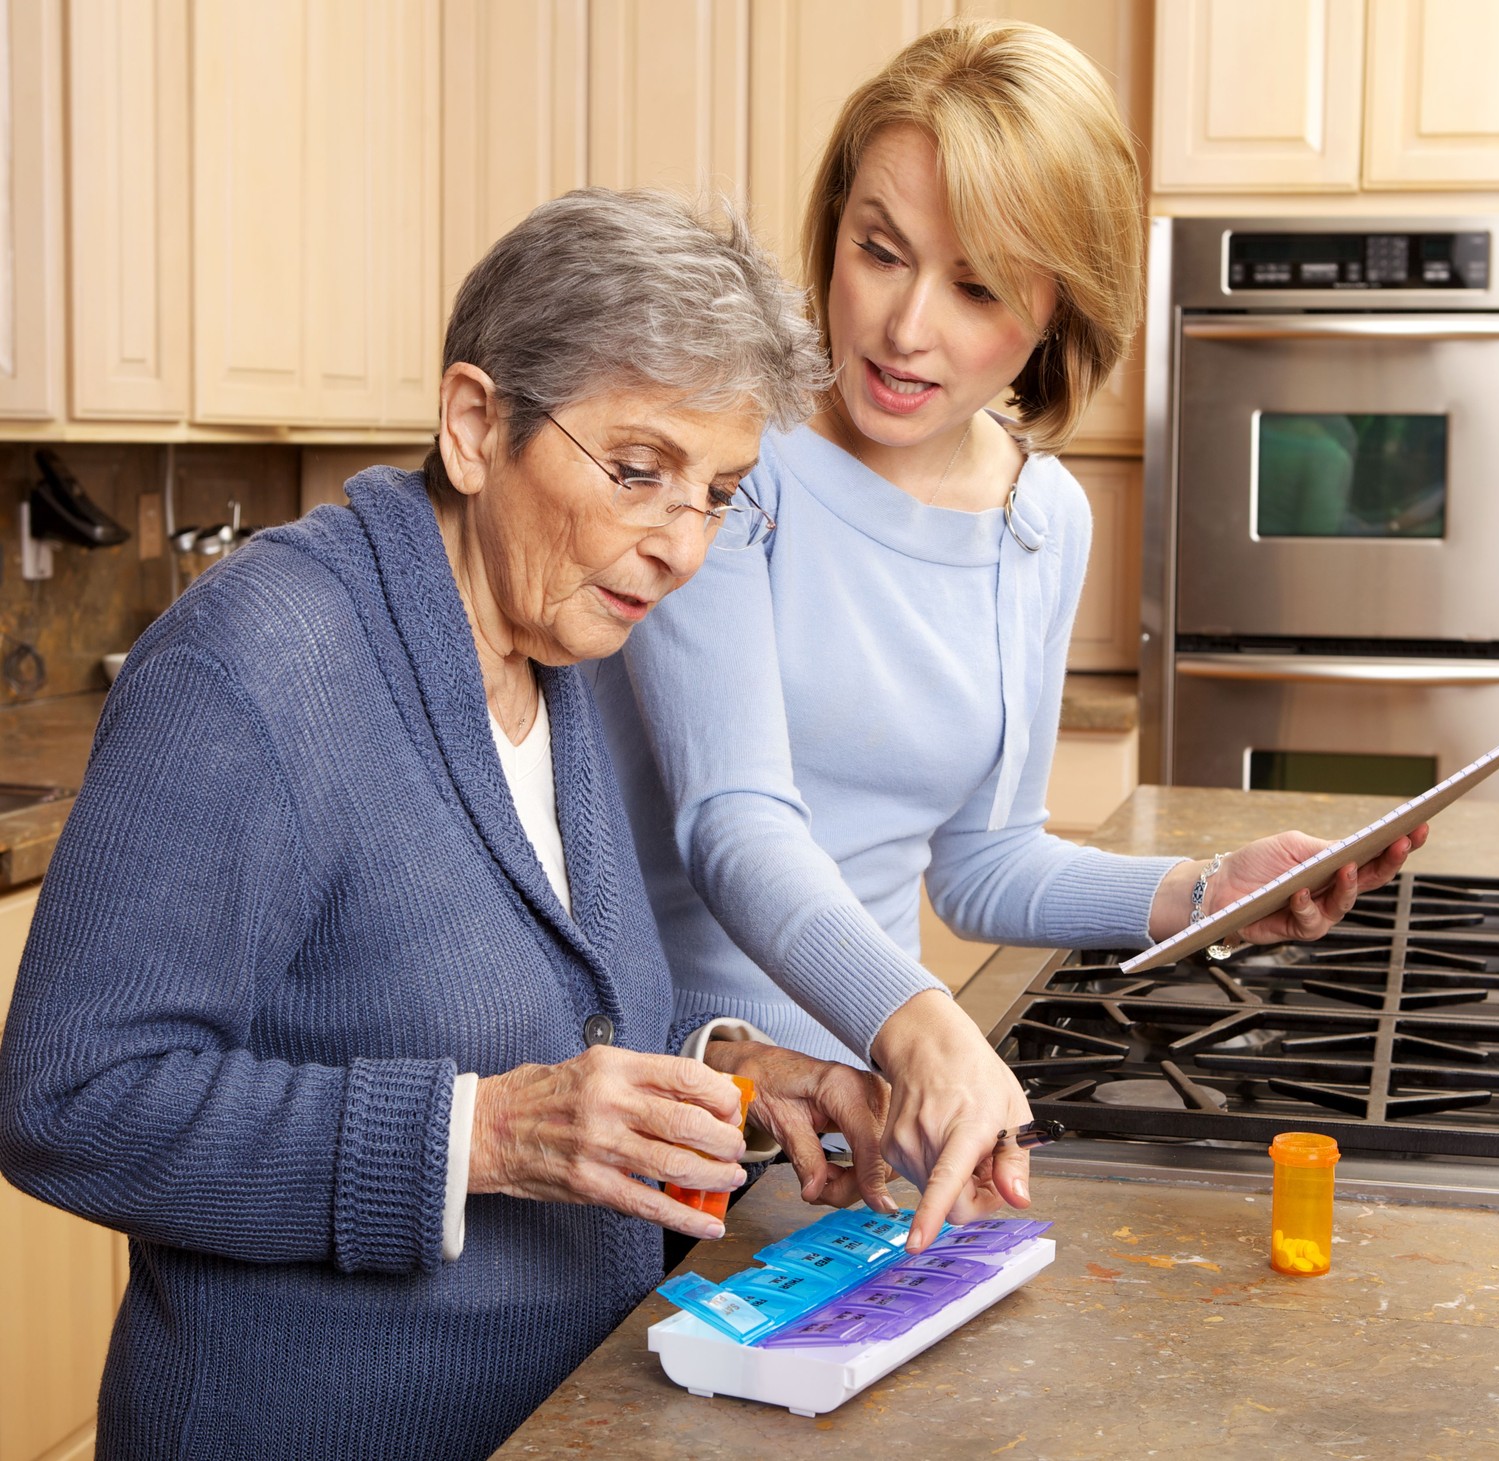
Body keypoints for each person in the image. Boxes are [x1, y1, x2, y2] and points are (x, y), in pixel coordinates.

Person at [0, 190, 878, 1461]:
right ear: (476, 425)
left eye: (719, 492)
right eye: (638, 472)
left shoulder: (553, 650)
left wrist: (738, 1081)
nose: (683, 545)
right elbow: (69, 1100)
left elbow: (519, 1023)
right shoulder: (257, 666)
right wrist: (481, 1136)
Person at [592, 19, 1425, 1256]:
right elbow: (736, 825)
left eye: (977, 286)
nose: (904, 323)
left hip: (862, 1136)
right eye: (880, 251)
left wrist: (1201, 895)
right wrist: (922, 1024)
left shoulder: (1041, 521)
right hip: (675, 1101)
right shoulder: (734, 455)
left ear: (1055, 308)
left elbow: (981, 862)